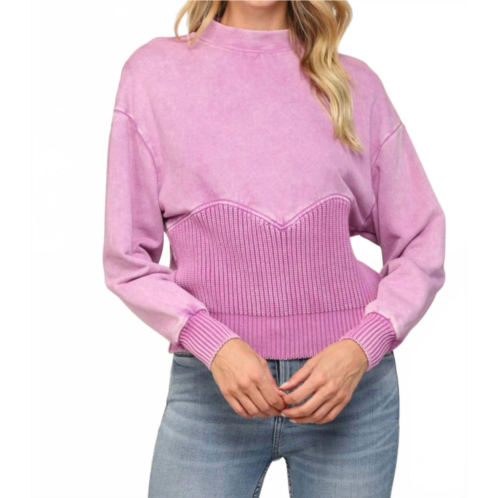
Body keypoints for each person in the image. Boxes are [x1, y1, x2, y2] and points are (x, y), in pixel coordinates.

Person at [103, 1, 446, 496]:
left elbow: (420, 238)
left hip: (348, 392)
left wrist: (361, 346)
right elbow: (127, 259)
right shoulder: (152, 75)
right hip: (212, 391)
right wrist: (213, 342)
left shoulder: (354, 83)